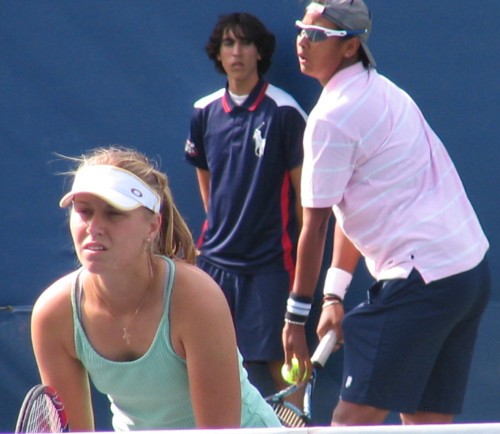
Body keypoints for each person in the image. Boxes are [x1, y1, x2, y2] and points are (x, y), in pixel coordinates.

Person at [282, 0, 491, 427]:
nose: (303, 40)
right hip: (467, 275)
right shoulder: (384, 90)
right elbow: (347, 207)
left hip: (423, 279)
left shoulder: (331, 119)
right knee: (426, 423)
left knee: (350, 422)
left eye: (318, 33)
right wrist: (333, 294)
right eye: (301, 29)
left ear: (350, 47)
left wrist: (294, 320)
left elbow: (316, 225)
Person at [31, 146, 281, 431]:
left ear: (152, 226)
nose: (94, 227)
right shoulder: (53, 314)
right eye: (84, 212)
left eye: (113, 213)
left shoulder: (196, 299)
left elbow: (219, 431)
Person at [184, 13, 309, 402]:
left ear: (259, 53)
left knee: (283, 362)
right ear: (218, 54)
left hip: (271, 263)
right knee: (208, 360)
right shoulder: (203, 112)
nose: (236, 52)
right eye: (228, 44)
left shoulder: (285, 112)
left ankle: (297, 426)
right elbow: (205, 177)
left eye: (244, 43)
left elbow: (307, 203)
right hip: (215, 263)